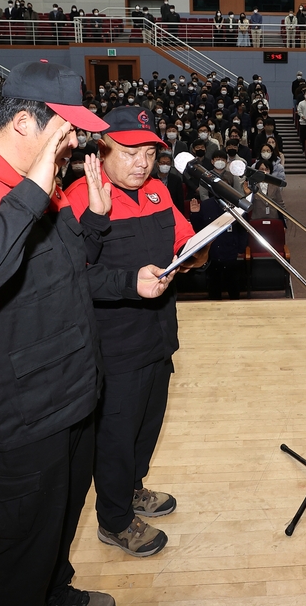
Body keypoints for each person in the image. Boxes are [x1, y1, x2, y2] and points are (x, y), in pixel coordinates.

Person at [0, 61, 173, 606]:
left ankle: (54, 592)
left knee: (58, 526)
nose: (76, 143)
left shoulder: (44, 187)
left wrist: (95, 222)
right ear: (26, 125)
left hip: (70, 400)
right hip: (19, 419)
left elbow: (64, 272)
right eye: (67, 130)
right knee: (23, 548)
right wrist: (34, 190)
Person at [65, 107, 204, 559]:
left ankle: (131, 489)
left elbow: (183, 243)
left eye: (148, 152)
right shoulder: (76, 199)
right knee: (116, 437)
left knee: (146, 428)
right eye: (130, 152)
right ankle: (114, 519)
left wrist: (196, 254)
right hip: (114, 347)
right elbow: (71, 278)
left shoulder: (159, 192)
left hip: (159, 336)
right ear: (101, 150)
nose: (142, 163)